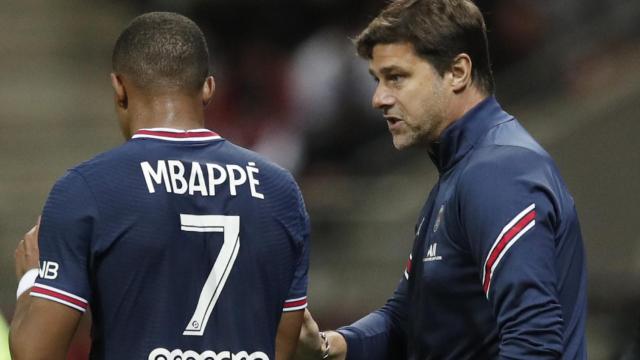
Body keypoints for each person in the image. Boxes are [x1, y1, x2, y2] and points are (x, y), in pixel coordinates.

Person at [295, 0, 587, 359]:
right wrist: (327, 346)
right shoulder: (459, 172)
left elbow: (534, 345)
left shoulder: (500, 171)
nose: (378, 98)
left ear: (457, 72)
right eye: (377, 80)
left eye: (396, 77)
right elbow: (406, 319)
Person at [10, 12, 309, 360]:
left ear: (119, 88)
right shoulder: (280, 191)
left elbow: (35, 354)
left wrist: (32, 279)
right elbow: (282, 347)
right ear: (209, 88)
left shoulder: (86, 189)